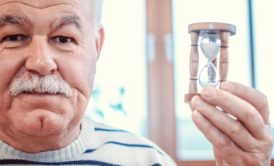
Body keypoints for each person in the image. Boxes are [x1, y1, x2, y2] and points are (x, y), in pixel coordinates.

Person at [0, 0, 271, 166]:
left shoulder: (150, 161)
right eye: (13, 37)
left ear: (96, 48)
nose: (41, 62)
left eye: (63, 39)